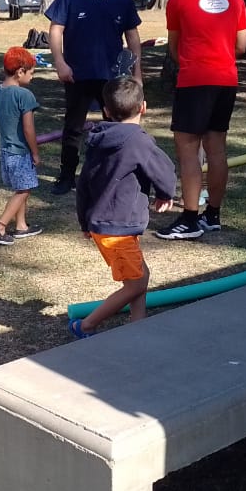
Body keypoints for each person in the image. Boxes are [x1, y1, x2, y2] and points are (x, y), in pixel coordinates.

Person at [154, 0, 246, 240]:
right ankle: (213, 215)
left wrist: (194, 60)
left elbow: (173, 47)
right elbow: (241, 46)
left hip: (195, 80)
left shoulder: (179, 0)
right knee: (216, 147)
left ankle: (190, 219)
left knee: (188, 150)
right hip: (226, 79)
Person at [71, 77, 176, 338]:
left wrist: (84, 222)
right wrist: (166, 193)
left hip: (106, 225)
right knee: (135, 284)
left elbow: (83, 184)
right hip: (117, 228)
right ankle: (85, 325)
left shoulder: (97, 140)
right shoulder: (139, 141)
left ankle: (138, 323)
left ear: (106, 111)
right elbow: (164, 169)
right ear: (143, 107)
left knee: (140, 275)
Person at [44, 0, 143, 195]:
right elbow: (55, 30)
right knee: (73, 127)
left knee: (116, 126)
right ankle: (67, 176)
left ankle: (113, 174)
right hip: (76, 74)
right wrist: (59, 62)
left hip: (112, 77)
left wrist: (137, 73)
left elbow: (132, 37)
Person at [0, 47, 43, 245]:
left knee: (21, 186)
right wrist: (35, 152)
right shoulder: (25, 95)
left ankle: (21, 226)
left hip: (5, 150)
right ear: (20, 72)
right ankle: (0, 227)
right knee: (24, 189)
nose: (32, 77)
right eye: (31, 73)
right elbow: (28, 129)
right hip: (20, 152)